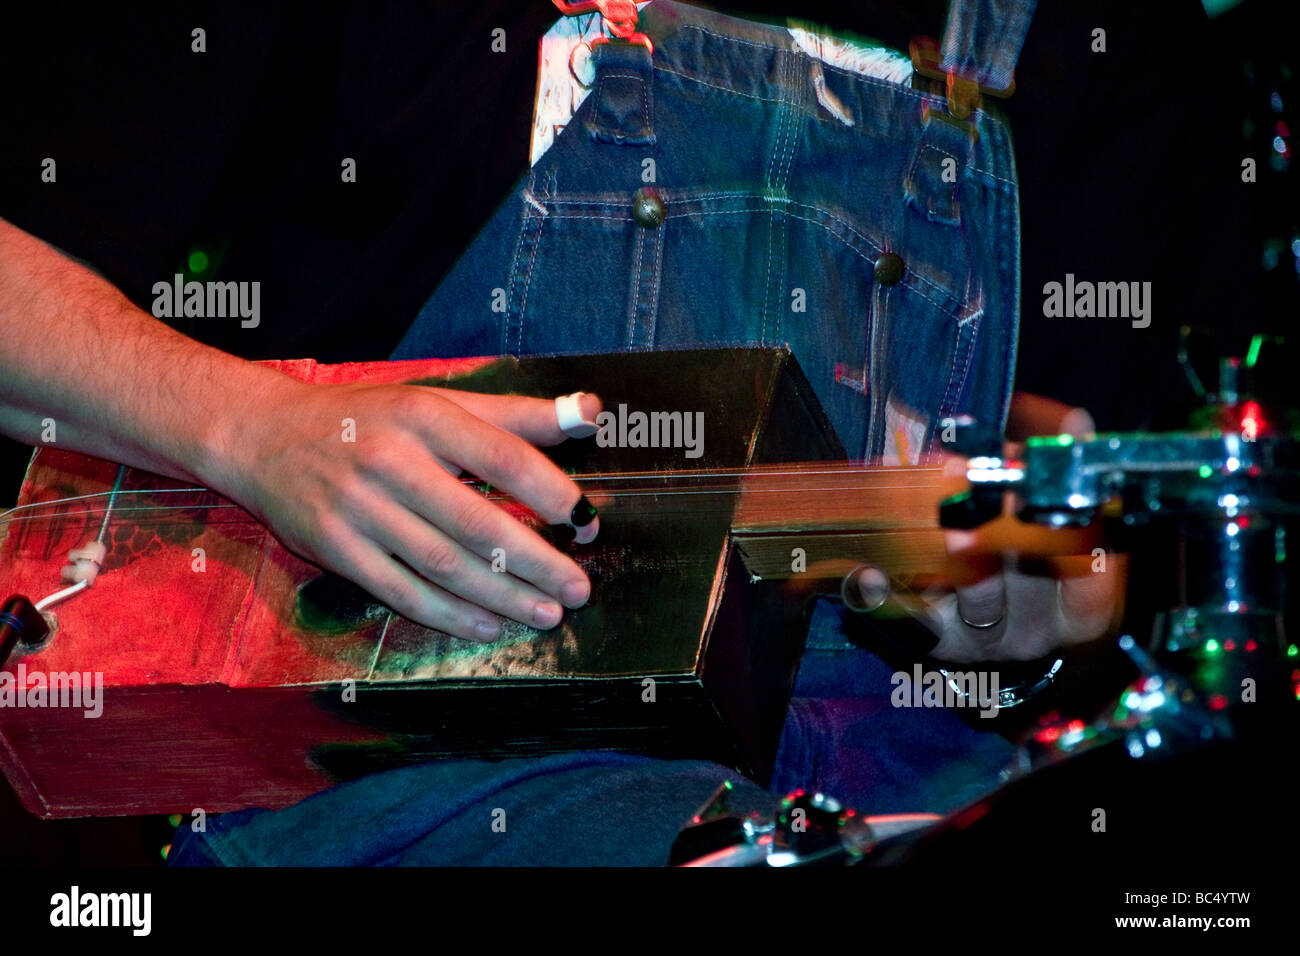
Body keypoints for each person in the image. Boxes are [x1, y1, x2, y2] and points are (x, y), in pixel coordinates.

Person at [1, 0, 1201, 865]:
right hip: (407, 759)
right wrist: (253, 427)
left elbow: (1092, 509)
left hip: (893, 763)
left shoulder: (1088, 42)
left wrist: (1048, 590)